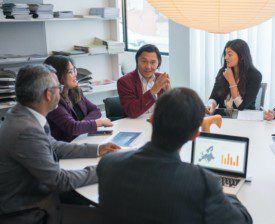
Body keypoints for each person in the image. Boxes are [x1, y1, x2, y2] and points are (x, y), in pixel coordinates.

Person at [98, 88, 252, 224]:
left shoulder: (108, 164)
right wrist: (221, 190)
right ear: (195, 135)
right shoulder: (203, 182)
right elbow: (243, 220)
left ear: (151, 120)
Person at [0, 65, 120, 224]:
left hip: (39, 196)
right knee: (112, 218)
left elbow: (54, 146)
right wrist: (104, 169)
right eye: (58, 86)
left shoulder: (24, 113)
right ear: (48, 94)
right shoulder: (26, 130)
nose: (61, 90)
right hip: (30, 211)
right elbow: (59, 181)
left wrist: (98, 149)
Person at [44, 55, 112, 142]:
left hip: (84, 138)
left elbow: (96, 110)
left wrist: (81, 125)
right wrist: (99, 122)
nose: (75, 75)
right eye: (70, 72)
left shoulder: (75, 91)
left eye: (74, 70)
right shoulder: (53, 100)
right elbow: (72, 128)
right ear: (57, 76)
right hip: (67, 147)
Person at [207, 39, 262, 114]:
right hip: (225, 119)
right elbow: (214, 97)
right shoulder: (223, 72)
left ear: (242, 56)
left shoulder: (255, 75)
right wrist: (210, 105)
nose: (225, 57)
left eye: (229, 54)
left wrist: (231, 80)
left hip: (245, 120)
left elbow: (241, 106)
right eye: (225, 54)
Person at [117, 44, 171, 118]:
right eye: (144, 61)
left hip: (157, 123)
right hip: (134, 125)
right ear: (137, 61)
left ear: (158, 63)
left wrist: (169, 93)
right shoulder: (124, 81)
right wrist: (153, 90)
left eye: (152, 62)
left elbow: (172, 110)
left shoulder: (161, 78)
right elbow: (131, 112)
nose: (148, 67)